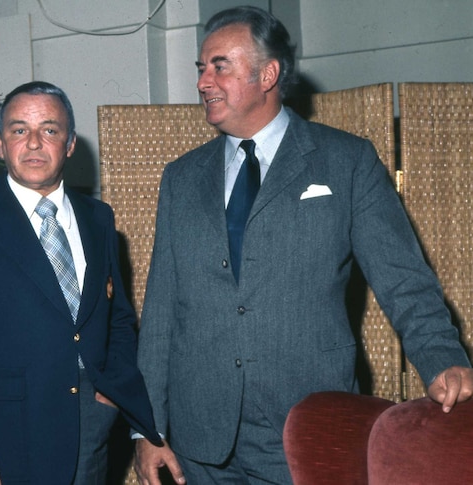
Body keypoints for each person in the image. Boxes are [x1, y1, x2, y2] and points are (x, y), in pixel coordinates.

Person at [133, 6, 473, 485]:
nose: (203, 81)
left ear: (268, 74)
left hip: (306, 428)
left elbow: (403, 279)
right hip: (200, 439)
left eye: (219, 66)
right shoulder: (181, 178)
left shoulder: (346, 161)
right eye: (200, 68)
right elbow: (162, 310)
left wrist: (444, 358)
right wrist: (147, 429)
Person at [0, 81, 163, 485]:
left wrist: (123, 400)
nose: (34, 143)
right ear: (0, 143)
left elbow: (118, 321)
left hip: (92, 424)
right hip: (6, 435)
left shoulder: (98, 218)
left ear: (69, 144)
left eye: (49, 130)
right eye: (19, 130)